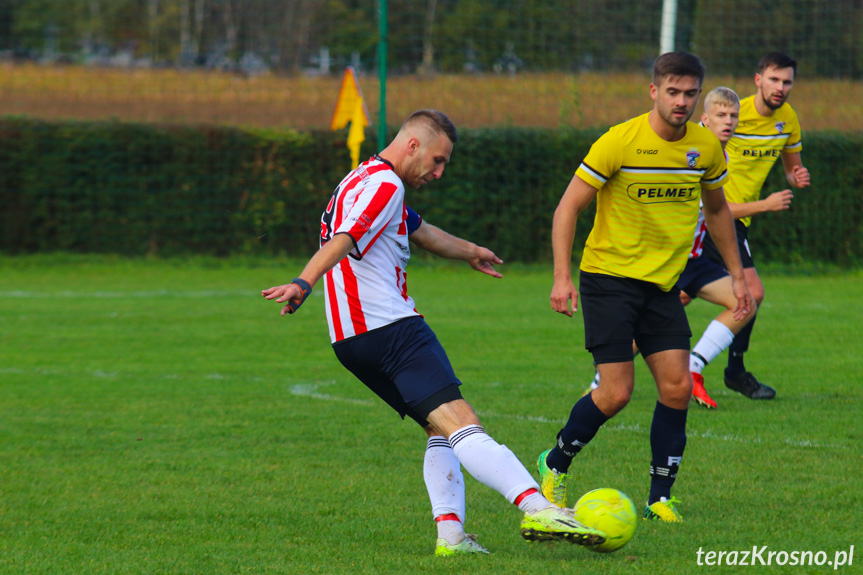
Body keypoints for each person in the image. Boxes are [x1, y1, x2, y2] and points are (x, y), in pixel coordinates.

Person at [262, 110, 605, 557]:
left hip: (351, 341)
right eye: (437, 161)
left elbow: (420, 232)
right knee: (464, 422)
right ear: (412, 146)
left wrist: (470, 252)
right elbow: (344, 239)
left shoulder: (361, 179)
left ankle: (452, 537)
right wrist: (304, 282)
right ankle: (538, 506)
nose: (439, 172)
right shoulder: (386, 186)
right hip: (391, 328)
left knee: (439, 429)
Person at [537, 53, 753, 523]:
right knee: (615, 394)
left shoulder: (705, 148)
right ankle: (555, 463)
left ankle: (660, 498)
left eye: (690, 94)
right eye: (672, 92)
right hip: (609, 281)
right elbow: (567, 208)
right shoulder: (620, 141)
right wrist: (560, 277)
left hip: (661, 286)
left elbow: (717, 212)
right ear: (653, 91)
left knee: (676, 387)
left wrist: (737, 275)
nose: (681, 102)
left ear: (699, 95)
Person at [584, 87, 764, 410]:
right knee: (652, 325)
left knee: (745, 301)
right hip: (668, 260)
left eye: (734, 116)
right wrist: (765, 205)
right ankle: (604, 381)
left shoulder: (716, 154)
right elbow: (715, 209)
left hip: (693, 259)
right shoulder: (685, 150)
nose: (729, 122)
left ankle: (693, 366)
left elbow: (716, 211)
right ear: (704, 120)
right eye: (721, 116)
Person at [700, 52, 811, 400]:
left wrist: (796, 176)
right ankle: (713, 366)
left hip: (737, 220)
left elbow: (791, 167)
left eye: (787, 81)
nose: (780, 87)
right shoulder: (733, 114)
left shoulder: (787, 119)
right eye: (774, 79)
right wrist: (765, 204)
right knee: (750, 294)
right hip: (716, 217)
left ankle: (608, 372)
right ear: (758, 79)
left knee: (676, 296)